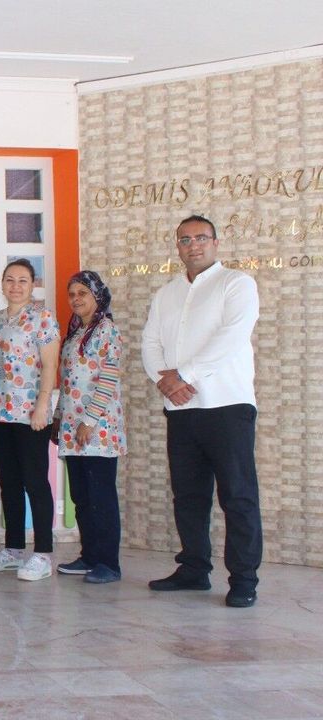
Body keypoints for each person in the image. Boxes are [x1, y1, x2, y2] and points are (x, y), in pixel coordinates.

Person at [142, 215, 262, 608]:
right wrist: (164, 381)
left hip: (227, 406)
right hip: (181, 409)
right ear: (177, 246)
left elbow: (231, 337)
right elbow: (150, 342)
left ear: (215, 242)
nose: (193, 245)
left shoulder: (237, 284)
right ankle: (194, 569)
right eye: (185, 240)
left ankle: (243, 580)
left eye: (200, 238)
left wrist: (184, 375)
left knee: (237, 496)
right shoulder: (167, 293)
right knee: (188, 497)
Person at [0, 259, 60, 581]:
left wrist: (43, 404)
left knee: (35, 481)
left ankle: (42, 554)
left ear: (33, 284)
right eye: (10, 280)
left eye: (23, 280)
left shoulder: (43, 318)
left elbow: (50, 365)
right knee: (10, 483)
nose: (16, 286)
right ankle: (13, 549)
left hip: (30, 413)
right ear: (2, 283)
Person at [55, 270, 126, 584]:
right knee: (82, 497)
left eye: (82, 293)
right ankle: (90, 556)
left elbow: (108, 378)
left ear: (97, 296)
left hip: (98, 430)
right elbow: (68, 381)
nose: (76, 299)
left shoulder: (107, 330)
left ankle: (108, 563)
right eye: (72, 294)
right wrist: (59, 418)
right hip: (73, 429)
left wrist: (89, 420)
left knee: (101, 497)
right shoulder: (75, 333)